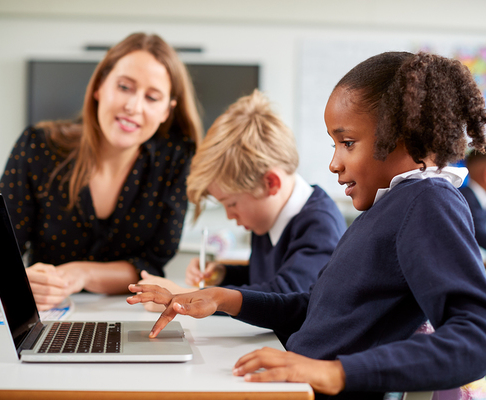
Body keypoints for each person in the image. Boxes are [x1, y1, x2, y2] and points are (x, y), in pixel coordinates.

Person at [127, 52, 486, 399]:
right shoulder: (387, 209)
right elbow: (318, 309)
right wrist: (223, 297)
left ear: (403, 137)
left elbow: (480, 335)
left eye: (347, 142)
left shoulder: (428, 201)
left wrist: (334, 373)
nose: (334, 163)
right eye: (334, 145)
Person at [0, 32, 202, 310]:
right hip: (52, 315)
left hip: (130, 315)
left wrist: (81, 273)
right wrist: (13, 285)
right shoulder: (38, 146)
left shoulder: (175, 161)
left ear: (167, 110)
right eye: (124, 87)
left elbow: (150, 264)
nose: (133, 106)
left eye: (152, 97)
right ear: (99, 87)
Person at [137, 90, 347, 308]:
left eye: (232, 203)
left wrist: (187, 295)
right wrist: (224, 275)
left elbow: (284, 295)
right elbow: (264, 280)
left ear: (270, 184)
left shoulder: (319, 226)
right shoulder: (268, 216)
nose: (230, 215)